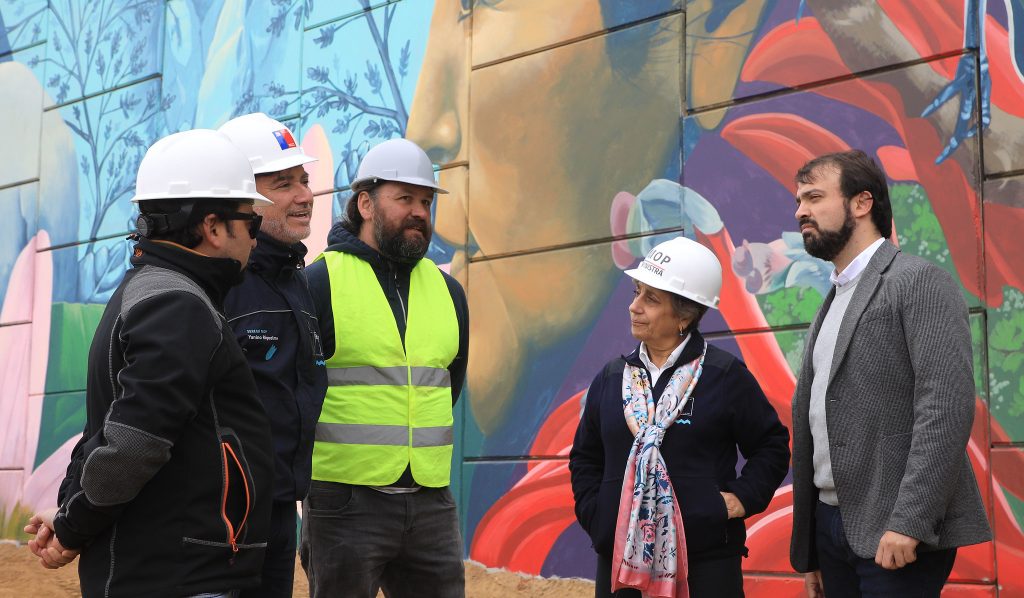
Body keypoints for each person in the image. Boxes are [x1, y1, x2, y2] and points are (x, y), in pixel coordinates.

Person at [23, 129, 275, 597]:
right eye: (252, 223)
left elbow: (107, 428)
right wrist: (74, 527)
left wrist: (69, 517)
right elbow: (134, 441)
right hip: (179, 573)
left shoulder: (151, 291)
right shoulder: (177, 305)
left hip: (164, 567)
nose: (256, 240)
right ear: (214, 227)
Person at [788, 150, 992, 597]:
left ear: (862, 203)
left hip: (896, 532)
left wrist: (911, 521)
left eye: (815, 196)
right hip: (830, 527)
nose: (801, 210)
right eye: (799, 199)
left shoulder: (919, 281)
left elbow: (946, 407)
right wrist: (814, 550)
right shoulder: (834, 297)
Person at [569, 235, 791, 598]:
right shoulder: (612, 378)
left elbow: (772, 445)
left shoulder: (724, 375)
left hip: (706, 568)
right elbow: (585, 457)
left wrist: (738, 499)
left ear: (685, 315)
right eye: (636, 292)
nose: (634, 307)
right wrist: (600, 517)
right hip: (621, 567)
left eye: (651, 299)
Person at [301, 138, 469, 598]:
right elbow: (300, 391)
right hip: (345, 501)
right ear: (365, 204)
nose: (419, 211)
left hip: (431, 501)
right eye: (405, 199)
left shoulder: (448, 292)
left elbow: (448, 384)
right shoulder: (320, 282)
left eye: (426, 201)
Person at [219, 113, 328, 597]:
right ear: (240, 195)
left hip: (282, 509)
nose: (305, 195)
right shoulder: (218, 286)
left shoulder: (295, 281)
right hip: (222, 520)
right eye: (284, 183)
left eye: (304, 180)